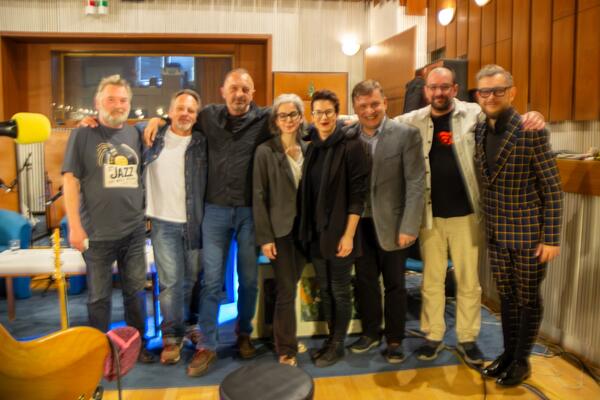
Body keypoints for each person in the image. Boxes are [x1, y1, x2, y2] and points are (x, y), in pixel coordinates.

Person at [394, 66, 545, 365]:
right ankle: (433, 336)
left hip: (466, 215)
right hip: (429, 217)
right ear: (425, 90)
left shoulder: (474, 113)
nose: (438, 92)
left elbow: (506, 116)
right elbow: (379, 125)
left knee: (468, 281)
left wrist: (535, 115)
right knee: (431, 280)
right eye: (433, 87)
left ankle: (467, 338)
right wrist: (348, 122)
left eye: (444, 87)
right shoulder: (412, 120)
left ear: (455, 89)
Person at [144, 68, 272, 377]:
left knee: (249, 280)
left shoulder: (265, 120)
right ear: (222, 91)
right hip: (213, 212)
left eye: (245, 89)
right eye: (234, 88)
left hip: (249, 212)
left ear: (253, 93)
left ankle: (244, 333)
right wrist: (157, 119)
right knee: (211, 281)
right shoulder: (208, 117)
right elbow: (178, 118)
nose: (239, 94)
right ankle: (208, 344)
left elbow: (295, 122)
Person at [474, 64, 562, 386]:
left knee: (527, 298)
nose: (491, 96)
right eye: (484, 91)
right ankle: (508, 354)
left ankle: (522, 361)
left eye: (498, 90)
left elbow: (552, 188)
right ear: (478, 95)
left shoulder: (530, 129)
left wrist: (551, 238)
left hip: (528, 234)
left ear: (511, 92)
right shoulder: (480, 129)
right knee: (507, 297)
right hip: (496, 233)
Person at [62, 74, 156, 363]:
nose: (118, 105)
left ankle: (137, 346)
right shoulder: (82, 135)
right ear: (97, 102)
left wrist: (157, 119)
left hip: (133, 232)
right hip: (97, 234)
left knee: (135, 293)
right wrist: (74, 227)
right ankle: (98, 350)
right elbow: (69, 182)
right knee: (99, 298)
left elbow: (163, 127)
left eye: (123, 100)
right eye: (111, 99)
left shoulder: (136, 135)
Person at [346, 80, 426, 363]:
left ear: (385, 103)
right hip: (358, 224)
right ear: (355, 107)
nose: (369, 111)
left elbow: (416, 183)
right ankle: (370, 332)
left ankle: (394, 338)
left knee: (395, 284)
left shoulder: (406, 134)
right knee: (365, 282)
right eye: (363, 106)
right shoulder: (347, 135)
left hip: (394, 224)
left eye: (374, 104)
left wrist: (409, 226)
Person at [297, 89, 369, 368]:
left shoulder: (352, 146)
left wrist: (349, 235)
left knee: (339, 290)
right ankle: (330, 339)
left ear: (337, 114)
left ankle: (338, 344)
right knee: (325, 289)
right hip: (316, 231)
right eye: (318, 112)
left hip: (341, 232)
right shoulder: (313, 146)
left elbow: (358, 196)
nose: (324, 117)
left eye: (329, 112)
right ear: (312, 116)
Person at [143, 89, 206, 365]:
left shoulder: (202, 142)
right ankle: (171, 336)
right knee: (170, 283)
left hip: (195, 221)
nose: (185, 114)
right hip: (163, 222)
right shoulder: (151, 137)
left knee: (193, 279)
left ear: (197, 116)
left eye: (191, 110)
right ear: (169, 112)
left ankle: (191, 325)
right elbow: (117, 127)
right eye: (180, 108)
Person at [253, 93, 307, 367]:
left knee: (292, 285)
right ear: (275, 120)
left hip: (306, 231)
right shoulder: (265, 151)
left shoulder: (309, 147)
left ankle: (287, 337)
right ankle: (285, 348)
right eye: (282, 115)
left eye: (293, 114)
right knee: (286, 289)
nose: (288, 120)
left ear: (300, 117)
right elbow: (259, 196)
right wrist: (265, 238)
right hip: (280, 231)